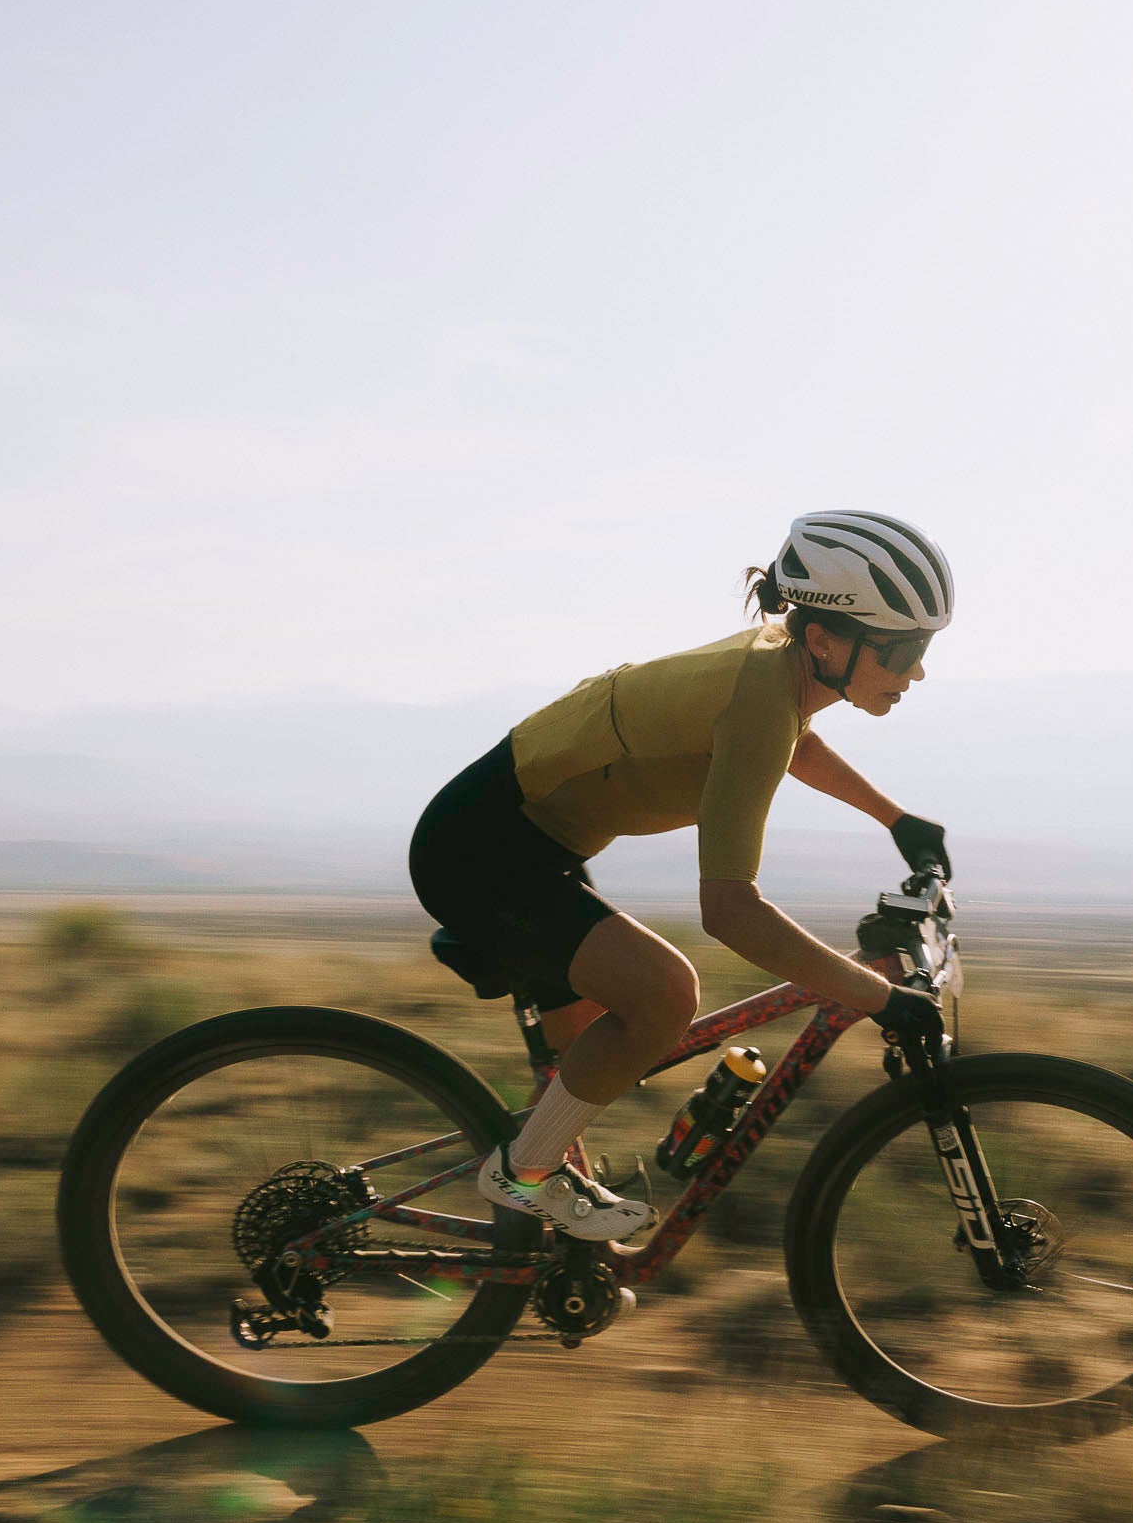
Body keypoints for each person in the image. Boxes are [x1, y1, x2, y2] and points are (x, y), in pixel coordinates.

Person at [408, 511, 955, 1241]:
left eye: (923, 648)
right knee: (665, 994)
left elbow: (793, 744)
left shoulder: (780, 670)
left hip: (534, 845)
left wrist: (896, 820)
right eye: (904, 650)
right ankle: (522, 1177)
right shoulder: (760, 696)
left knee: (590, 1058)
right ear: (826, 640)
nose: (917, 671)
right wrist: (877, 998)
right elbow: (729, 911)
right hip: (480, 850)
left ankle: (548, 1235)